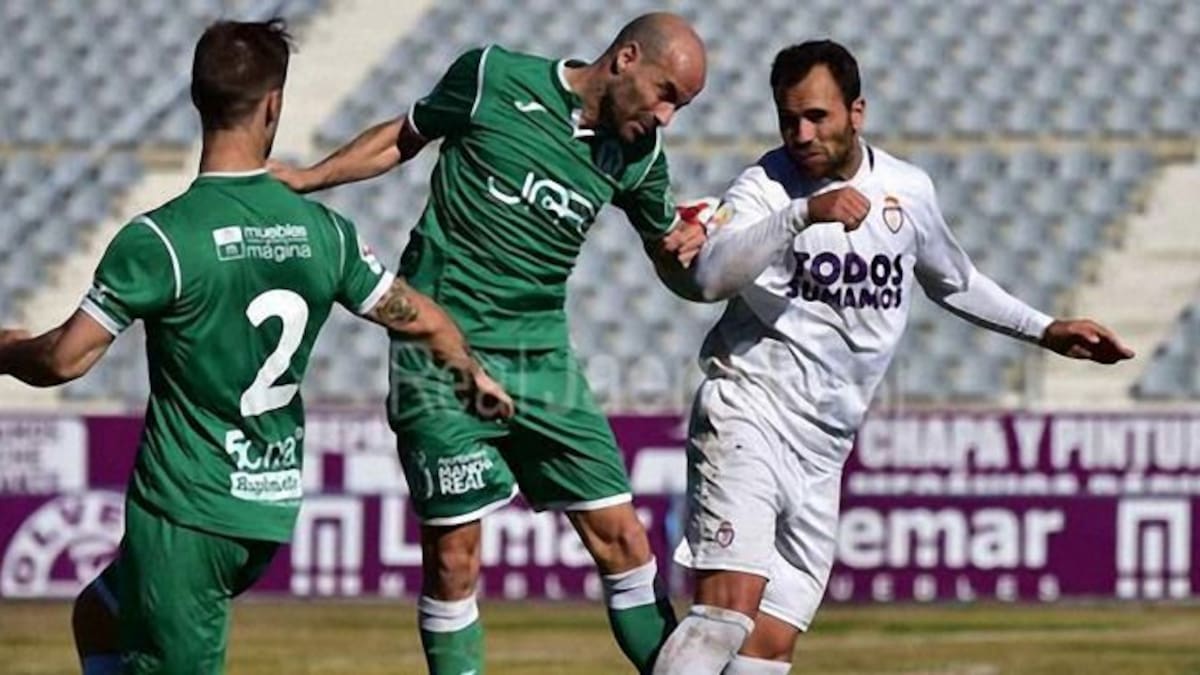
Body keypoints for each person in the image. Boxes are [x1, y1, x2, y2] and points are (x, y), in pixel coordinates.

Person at [0, 19, 511, 675]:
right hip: (265, 506)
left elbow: (63, 360)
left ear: (196, 99)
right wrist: (470, 374)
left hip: (187, 511)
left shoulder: (160, 240)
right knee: (98, 613)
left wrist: (7, 346)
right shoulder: (326, 232)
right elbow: (423, 319)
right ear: (274, 104)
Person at [652, 40, 1135, 674]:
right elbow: (711, 277)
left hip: (826, 446)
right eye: (788, 118)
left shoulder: (908, 190)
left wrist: (1046, 330)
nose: (801, 133)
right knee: (727, 614)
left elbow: (954, 281)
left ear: (857, 112)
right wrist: (803, 213)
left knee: (771, 642)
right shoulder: (766, 188)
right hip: (750, 413)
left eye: (817, 116)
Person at [271, 12, 707, 674]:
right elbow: (402, 136)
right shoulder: (491, 77)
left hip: (543, 356)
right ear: (624, 60)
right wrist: (308, 178)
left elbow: (671, 262)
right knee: (455, 557)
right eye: (667, 92)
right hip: (437, 349)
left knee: (624, 540)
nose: (668, 116)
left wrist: (688, 251)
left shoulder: (638, 156)